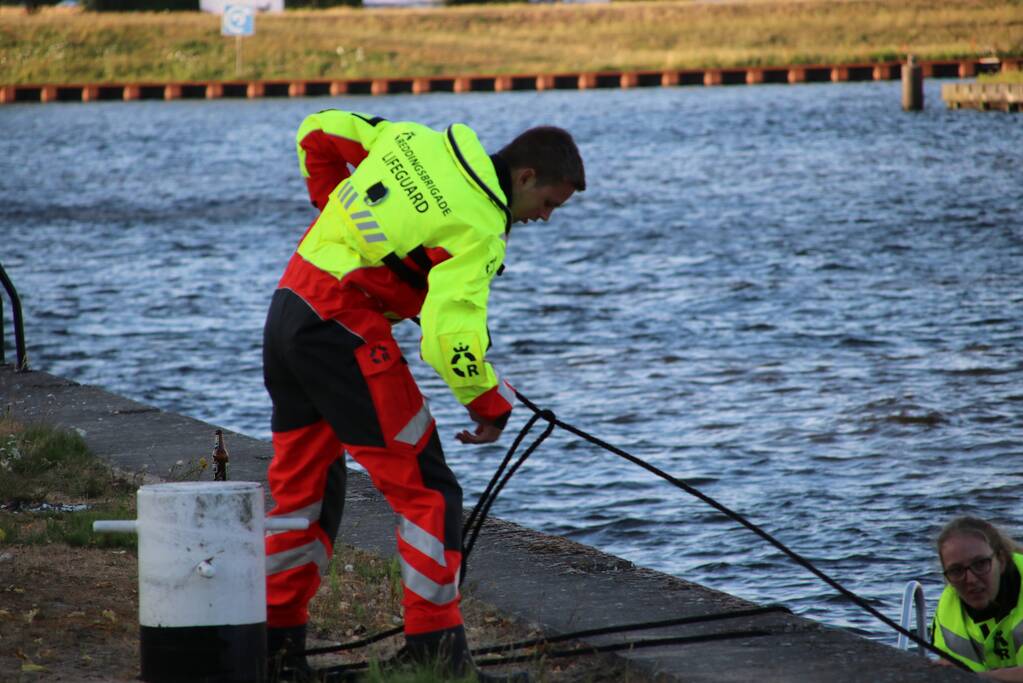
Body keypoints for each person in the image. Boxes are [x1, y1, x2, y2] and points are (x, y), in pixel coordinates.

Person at [262, 109, 585, 681]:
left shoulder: (412, 139)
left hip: (290, 307)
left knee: (305, 490)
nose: (546, 219)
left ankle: (276, 651)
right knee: (431, 492)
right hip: (343, 333)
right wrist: (489, 404)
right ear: (526, 176)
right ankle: (437, 655)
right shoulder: (481, 229)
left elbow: (318, 129)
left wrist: (333, 207)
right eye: (549, 205)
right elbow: (448, 338)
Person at [933, 516, 1023, 680]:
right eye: (956, 570)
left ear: (1001, 561)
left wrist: (981, 677)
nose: (971, 579)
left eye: (980, 564)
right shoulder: (946, 610)